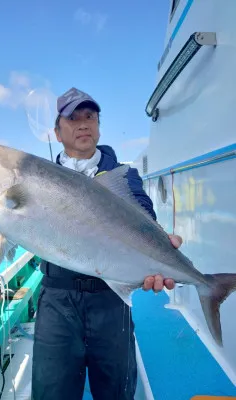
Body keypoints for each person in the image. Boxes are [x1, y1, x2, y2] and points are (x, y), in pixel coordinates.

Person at [32, 87, 182, 400]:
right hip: (58, 298)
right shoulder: (39, 178)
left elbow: (142, 213)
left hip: (110, 299)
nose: (83, 124)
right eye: (72, 118)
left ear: (99, 126)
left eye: (90, 117)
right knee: (51, 392)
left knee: (116, 392)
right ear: (57, 133)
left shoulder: (122, 175)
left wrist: (158, 239)